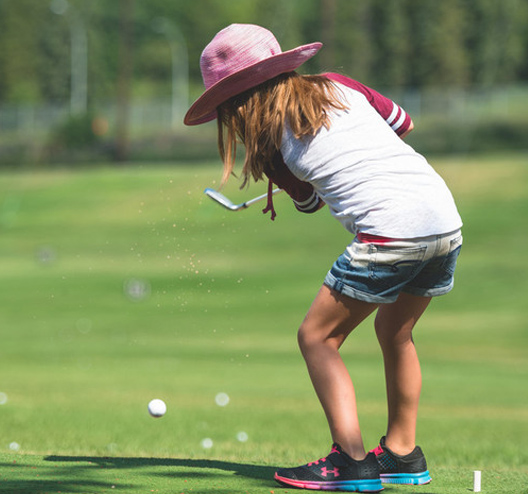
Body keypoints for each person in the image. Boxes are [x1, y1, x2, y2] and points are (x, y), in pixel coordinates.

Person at [184, 24, 463, 493]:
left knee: (316, 337)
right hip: (444, 220)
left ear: (234, 101)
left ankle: (351, 461)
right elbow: (402, 123)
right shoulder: (338, 84)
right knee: (396, 331)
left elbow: (311, 203)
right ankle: (402, 454)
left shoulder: (272, 145)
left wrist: (296, 178)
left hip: (390, 229)